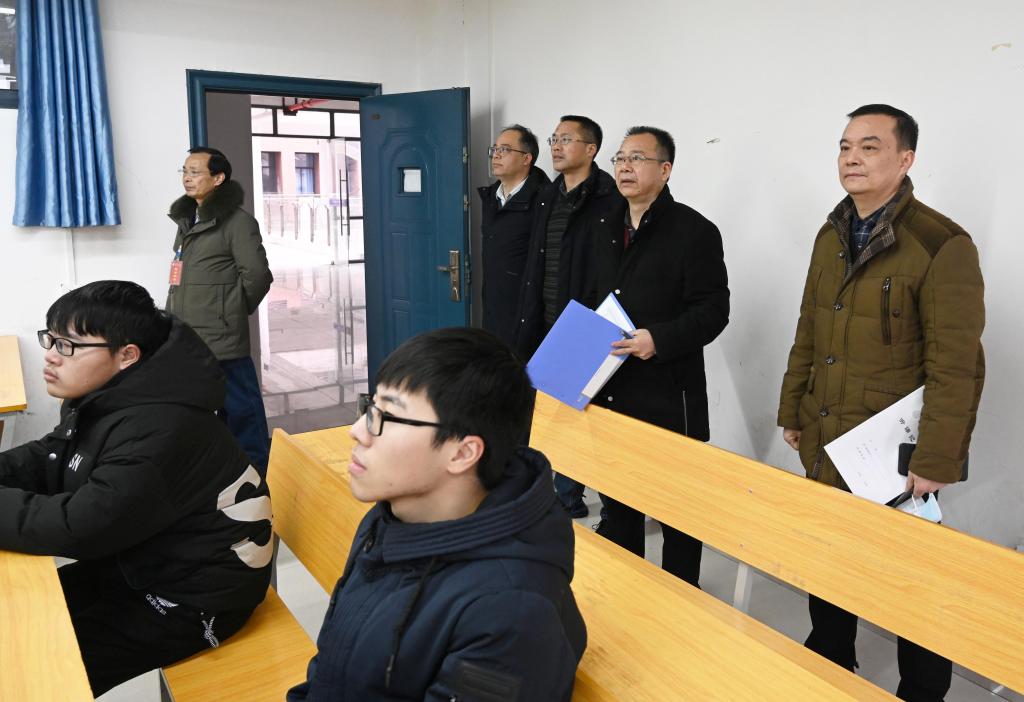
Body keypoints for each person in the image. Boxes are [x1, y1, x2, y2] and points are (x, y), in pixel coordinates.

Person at [777, 104, 985, 702]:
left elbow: (957, 366)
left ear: (905, 159)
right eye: (845, 147)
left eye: (869, 147)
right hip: (828, 431)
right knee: (828, 558)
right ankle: (831, 657)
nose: (852, 158)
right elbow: (809, 328)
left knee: (912, 580)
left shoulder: (941, 243)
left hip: (893, 449)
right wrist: (793, 408)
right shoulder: (831, 234)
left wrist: (936, 458)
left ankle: (921, 688)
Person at [0, 280, 272, 696]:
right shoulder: (112, 395)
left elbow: (80, 528)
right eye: (50, 339)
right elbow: (53, 456)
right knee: (16, 613)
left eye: (68, 345)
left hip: (196, 597)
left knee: (33, 671)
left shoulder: (160, 427)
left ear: (127, 355)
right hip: (148, 561)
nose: (51, 356)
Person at [287, 327, 586, 702]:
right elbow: (333, 667)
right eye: (370, 408)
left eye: (387, 416)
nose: (357, 431)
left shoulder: (510, 611)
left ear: (462, 453)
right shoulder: (391, 519)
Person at [590, 126, 730, 588]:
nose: (625, 167)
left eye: (637, 158)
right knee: (619, 505)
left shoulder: (694, 231)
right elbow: (587, 299)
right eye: (620, 158)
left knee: (679, 511)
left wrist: (659, 339)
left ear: (665, 170)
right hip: (611, 387)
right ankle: (629, 590)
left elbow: (714, 312)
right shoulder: (603, 225)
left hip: (670, 393)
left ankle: (681, 595)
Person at [515, 115, 623, 518]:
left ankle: (611, 509)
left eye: (566, 139)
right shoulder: (548, 195)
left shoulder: (611, 196)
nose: (556, 146)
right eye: (554, 139)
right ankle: (564, 497)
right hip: (546, 317)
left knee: (596, 418)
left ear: (591, 149)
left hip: (587, 324)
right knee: (554, 414)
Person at [166, 146, 274, 473]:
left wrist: (230, 311)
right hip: (187, 333)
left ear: (218, 178)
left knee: (243, 410)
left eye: (195, 172)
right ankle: (225, 471)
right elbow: (180, 275)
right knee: (205, 408)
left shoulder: (237, 223)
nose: (187, 178)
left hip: (222, 336)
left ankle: (259, 474)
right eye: (184, 171)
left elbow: (258, 275)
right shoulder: (188, 221)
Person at [479, 124, 551, 347]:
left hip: (528, 312)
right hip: (494, 309)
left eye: (505, 149)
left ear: (526, 158)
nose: (496, 155)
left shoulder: (545, 199)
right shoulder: (491, 197)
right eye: (494, 149)